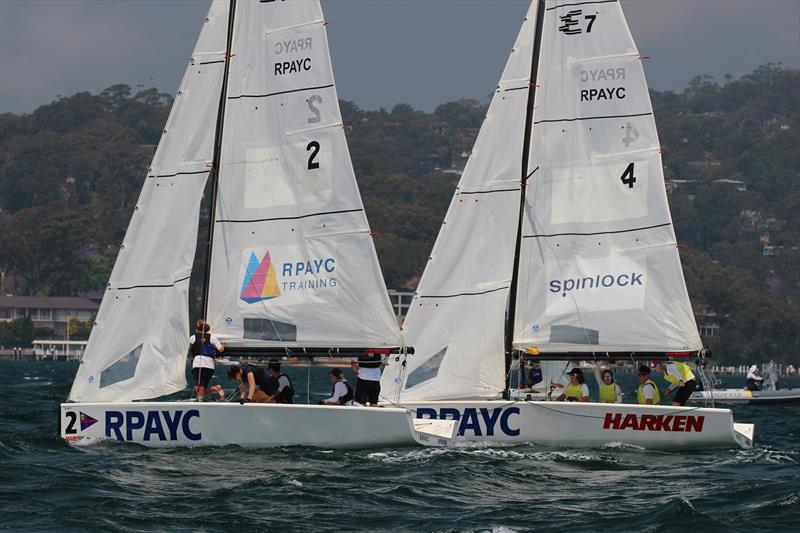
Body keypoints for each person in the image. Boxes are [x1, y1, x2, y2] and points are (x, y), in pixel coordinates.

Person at [188, 319, 225, 401]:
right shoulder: (212, 337)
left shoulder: (193, 337)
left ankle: (201, 400)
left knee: (199, 386)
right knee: (201, 388)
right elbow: (221, 349)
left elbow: (185, 346)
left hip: (198, 364)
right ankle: (215, 388)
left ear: (197, 329)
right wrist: (223, 345)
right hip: (210, 366)